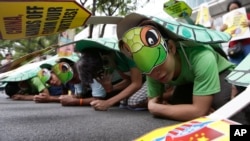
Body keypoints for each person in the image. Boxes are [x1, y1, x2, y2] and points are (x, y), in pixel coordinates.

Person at [117, 13, 249, 124]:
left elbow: (197, 111)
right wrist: (189, 110)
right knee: (178, 100)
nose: (155, 73)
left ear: (172, 47)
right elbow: (156, 101)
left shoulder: (201, 56)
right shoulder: (153, 71)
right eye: (147, 69)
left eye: (159, 62)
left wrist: (156, 109)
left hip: (221, 71)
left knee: (223, 103)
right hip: (190, 81)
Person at [75, 39, 148, 111]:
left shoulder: (126, 52)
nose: (103, 74)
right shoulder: (114, 60)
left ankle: (157, 100)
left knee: (134, 101)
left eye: (101, 72)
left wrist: (108, 102)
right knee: (123, 101)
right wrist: (112, 88)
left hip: (154, 77)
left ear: (105, 59)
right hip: (144, 80)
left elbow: (136, 83)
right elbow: (128, 80)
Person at [220, 0, 250, 65]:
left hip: (248, 44)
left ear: (240, 8)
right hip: (233, 46)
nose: (233, 10)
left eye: (235, 8)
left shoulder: (247, 16)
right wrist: (221, 30)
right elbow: (224, 36)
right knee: (236, 67)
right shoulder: (226, 21)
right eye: (231, 9)